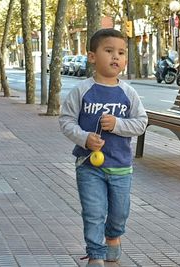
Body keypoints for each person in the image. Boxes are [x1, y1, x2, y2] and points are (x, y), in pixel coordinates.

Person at [59, 28, 148, 267]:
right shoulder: (82, 91)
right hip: (89, 166)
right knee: (94, 212)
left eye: (120, 52)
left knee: (119, 214)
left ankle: (113, 240)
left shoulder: (128, 93)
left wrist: (118, 124)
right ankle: (96, 255)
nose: (115, 57)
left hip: (120, 166)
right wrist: (84, 138)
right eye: (109, 51)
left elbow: (141, 123)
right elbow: (66, 120)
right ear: (92, 56)